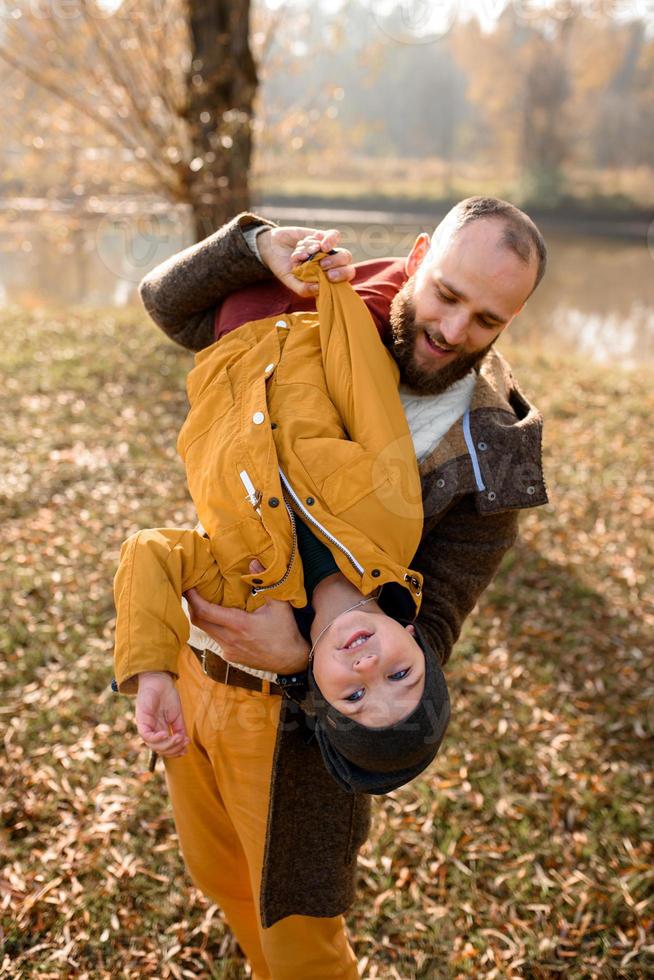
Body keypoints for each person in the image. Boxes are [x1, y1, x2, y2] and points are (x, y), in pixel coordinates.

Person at [131, 197, 548, 979]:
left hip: (300, 734)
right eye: (448, 295)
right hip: (197, 672)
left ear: (513, 320)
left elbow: (433, 631)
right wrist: (256, 247)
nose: (454, 331)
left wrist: (298, 659)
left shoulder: (497, 452)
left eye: (487, 320)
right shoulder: (324, 297)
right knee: (221, 881)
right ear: (420, 254)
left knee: (301, 945)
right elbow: (167, 303)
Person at [114, 253, 451, 784]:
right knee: (353, 256)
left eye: (355, 694)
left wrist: (151, 671)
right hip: (314, 323)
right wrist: (333, 289)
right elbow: (365, 392)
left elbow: (151, 551)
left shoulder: (243, 594)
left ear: (316, 683)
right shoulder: (395, 527)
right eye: (401, 673)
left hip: (231, 339)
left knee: (228, 271)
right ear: (414, 637)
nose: (368, 668)